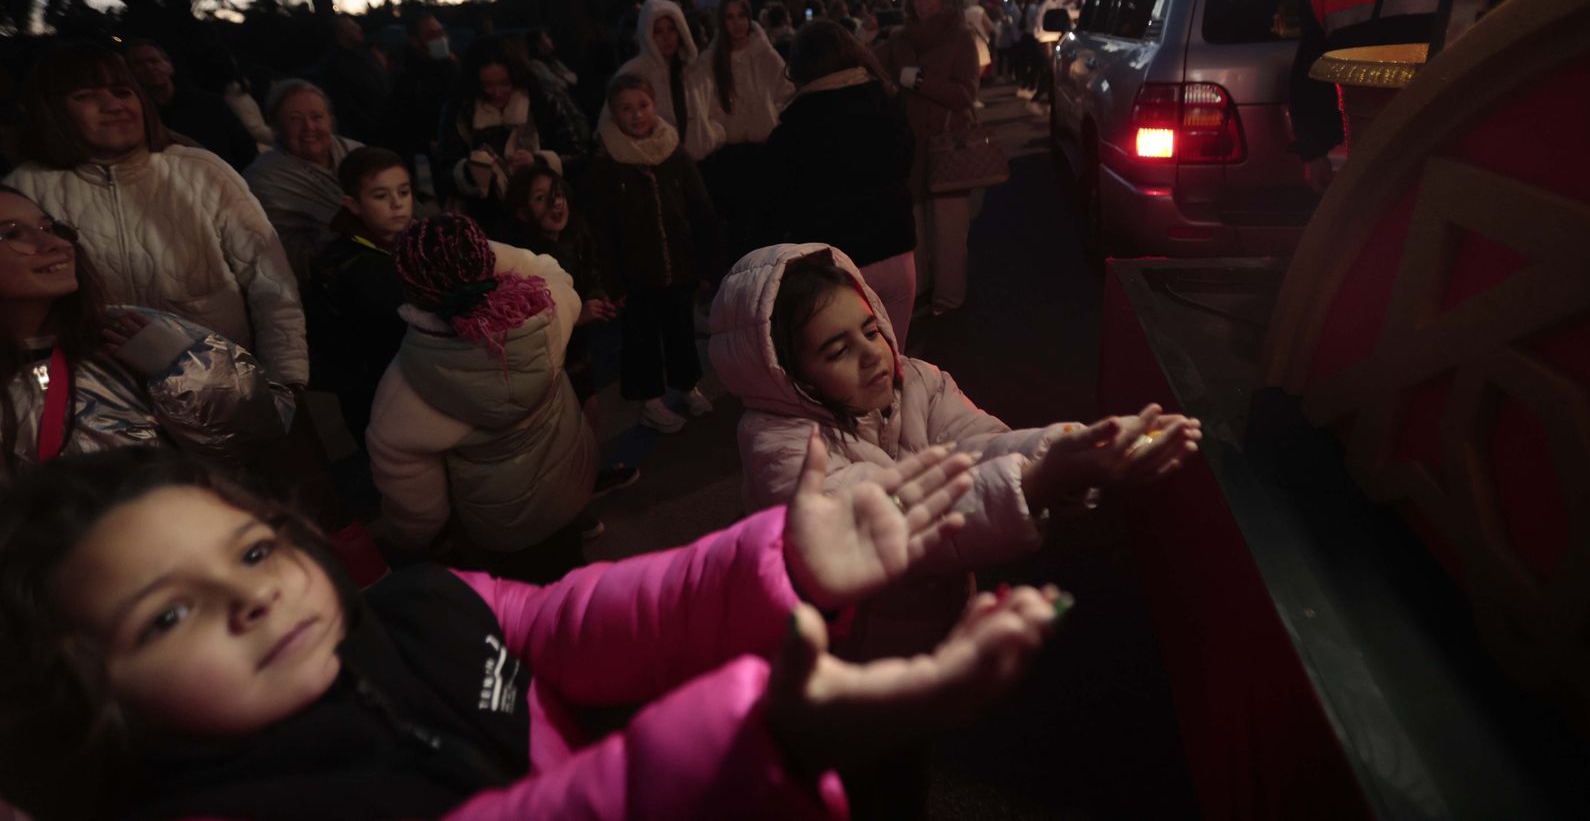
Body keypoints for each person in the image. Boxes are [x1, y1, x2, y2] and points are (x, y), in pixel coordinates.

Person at [0, 431, 1065, 820]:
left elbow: (571, 619)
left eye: (250, 550)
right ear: (79, 696)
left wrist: (780, 565)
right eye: (168, 612)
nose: (255, 597)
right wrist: (756, 742)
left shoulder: (416, 604)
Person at [710, 244, 1202, 653]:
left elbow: (979, 443)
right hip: (848, 651)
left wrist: (1069, 448)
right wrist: (1038, 482)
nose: (872, 354)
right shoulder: (780, 446)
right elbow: (881, 519)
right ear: (787, 376)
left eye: (871, 330)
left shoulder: (917, 380)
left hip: (936, 615)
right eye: (837, 350)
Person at [4, 43, 308, 388]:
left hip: (223, 385)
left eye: (123, 92)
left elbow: (270, 280)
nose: (113, 105)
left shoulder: (200, 171)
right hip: (100, 394)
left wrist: (286, 377)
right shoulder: (25, 192)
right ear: (53, 110)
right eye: (86, 96)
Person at [0, 185, 293, 478]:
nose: (53, 243)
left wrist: (190, 371)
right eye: (13, 234)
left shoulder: (130, 330)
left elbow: (263, 435)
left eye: (48, 228)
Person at [366, 214, 597, 581]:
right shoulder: (548, 314)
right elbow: (549, 269)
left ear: (412, 291)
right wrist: (475, 253)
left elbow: (418, 511)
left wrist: (410, 542)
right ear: (489, 261)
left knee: (532, 599)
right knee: (574, 571)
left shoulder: (401, 394)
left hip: (501, 527)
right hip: (570, 481)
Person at [1290, 0, 1554, 192]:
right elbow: (1309, 82)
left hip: (1486, 173)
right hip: (1376, 182)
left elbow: (1550, 74)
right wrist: (1314, 151)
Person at [758, 22, 918, 347]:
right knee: (893, 358)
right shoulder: (887, 100)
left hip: (839, 263)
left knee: (852, 365)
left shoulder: (794, 127)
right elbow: (905, 163)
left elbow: (778, 201)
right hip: (896, 250)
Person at [588, 74, 719, 435]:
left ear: (654, 105)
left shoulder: (672, 151)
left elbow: (699, 207)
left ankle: (687, 384)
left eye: (642, 105)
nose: (636, 115)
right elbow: (601, 228)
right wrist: (613, 282)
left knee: (680, 330)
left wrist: (706, 262)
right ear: (613, 113)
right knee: (641, 337)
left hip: (678, 264)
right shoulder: (607, 163)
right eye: (626, 108)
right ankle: (649, 399)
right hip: (636, 272)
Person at [503, 163, 639, 497]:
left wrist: (599, 297)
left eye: (557, 193)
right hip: (545, 356)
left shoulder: (575, 233)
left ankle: (588, 478)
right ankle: (569, 493)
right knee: (559, 424)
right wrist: (578, 314)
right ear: (521, 212)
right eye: (540, 198)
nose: (556, 203)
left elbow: (591, 273)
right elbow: (528, 315)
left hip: (576, 347)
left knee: (589, 410)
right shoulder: (523, 258)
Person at [877, 0, 982, 316]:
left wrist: (919, 81)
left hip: (947, 145)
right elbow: (869, 65)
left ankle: (949, 299)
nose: (923, 2)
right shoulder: (899, 40)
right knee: (915, 229)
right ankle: (919, 289)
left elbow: (966, 94)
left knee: (949, 230)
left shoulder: (960, 38)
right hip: (909, 148)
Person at [304, 147, 414, 442]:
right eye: (380, 196)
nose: (397, 203)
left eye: (404, 192)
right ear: (353, 204)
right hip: (377, 398)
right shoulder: (338, 266)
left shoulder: (423, 241)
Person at [438, 35, 579, 233]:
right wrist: (470, 172)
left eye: (505, 83)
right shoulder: (460, 110)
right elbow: (444, 169)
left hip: (542, 218)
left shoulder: (542, 103)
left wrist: (539, 162)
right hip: (485, 221)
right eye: (487, 85)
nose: (497, 92)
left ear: (517, 76)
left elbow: (576, 154)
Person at [243, 79, 365, 285]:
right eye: (295, 119)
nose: (309, 127)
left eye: (317, 117)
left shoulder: (357, 153)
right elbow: (279, 253)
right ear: (276, 126)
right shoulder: (263, 178)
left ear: (331, 119)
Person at [697, 0, 791, 256]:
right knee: (739, 225)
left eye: (741, 16)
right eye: (730, 17)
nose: (737, 23)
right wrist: (720, 130)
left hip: (764, 148)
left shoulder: (764, 53)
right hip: (731, 154)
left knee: (768, 220)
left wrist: (771, 117)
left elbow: (785, 90)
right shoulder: (711, 59)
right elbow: (706, 103)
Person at [610, 0, 725, 162]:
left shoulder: (695, 68)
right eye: (658, 31)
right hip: (659, 163)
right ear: (647, 34)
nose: (666, 37)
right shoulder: (634, 72)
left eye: (671, 29)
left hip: (703, 161)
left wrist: (712, 136)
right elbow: (613, 118)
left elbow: (714, 109)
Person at [123, 39, 258, 171]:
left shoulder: (208, 103)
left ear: (169, 66)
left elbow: (244, 146)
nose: (149, 67)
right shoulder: (137, 116)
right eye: (138, 64)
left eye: (154, 60)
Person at [385, 12, 459, 199]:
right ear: (415, 41)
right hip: (435, 155)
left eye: (441, 32)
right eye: (431, 35)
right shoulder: (405, 79)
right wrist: (427, 143)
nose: (440, 38)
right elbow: (400, 123)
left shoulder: (452, 66)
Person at [316, 14, 391, 147]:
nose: (359, 29)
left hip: (388, 124)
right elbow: (346, 105)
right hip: (368, 135)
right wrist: (374, 127)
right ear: (340, 34)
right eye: (352, 28)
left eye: (356, 25)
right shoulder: (333, 66)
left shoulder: (366, 53)